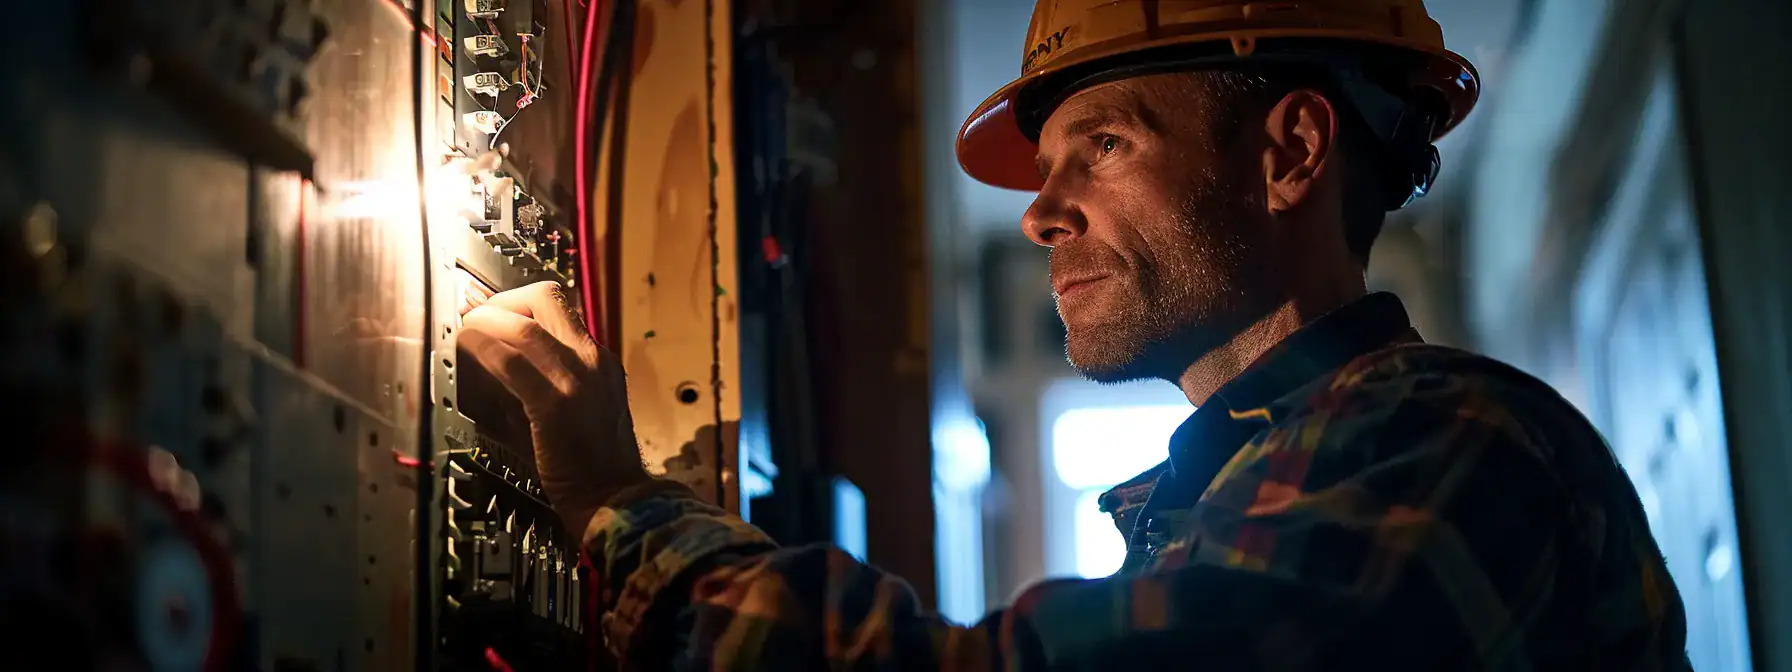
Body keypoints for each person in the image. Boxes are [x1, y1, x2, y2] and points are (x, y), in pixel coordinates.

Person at [456, 0, 1691, 668]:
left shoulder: (1447, 438)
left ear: (1291, 153)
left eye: (1102, 145)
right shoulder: (1244, 490)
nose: (1042, 214)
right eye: (1045, 169)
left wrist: (622, 506)